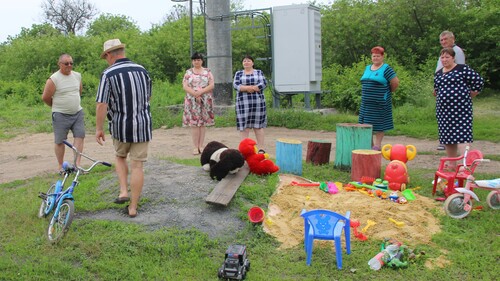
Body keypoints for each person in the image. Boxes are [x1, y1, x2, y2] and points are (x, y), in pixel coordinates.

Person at [95, 39, 152, 218]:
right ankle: (133, 207)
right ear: (122, 51)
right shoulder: (142, 70)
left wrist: (99, 128)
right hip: (142, 125)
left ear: (110, 55)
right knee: (137, 166)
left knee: (120, 157)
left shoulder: (108, 74)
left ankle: (123, 191)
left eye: (106, 57)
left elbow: (101, 104)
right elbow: (148, 97)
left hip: (120, 125)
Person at [433, 47, 483, 166]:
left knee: (462, 136)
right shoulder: (439, 73)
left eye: (447, 57)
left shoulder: (462, 69)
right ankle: (452, 165)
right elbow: (436, 90)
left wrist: (471, 94)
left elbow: (479, 82)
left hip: (461, 110)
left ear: (453, 57)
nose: (444, 59)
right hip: (444, 112)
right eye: (442, 57)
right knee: (447, 138)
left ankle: (466, 165)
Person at [42, 53, 85, 171]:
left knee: (80, 136)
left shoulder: (77, 76)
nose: (69, 65)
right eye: (66, 63)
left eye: (71, 63)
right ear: (60, 64)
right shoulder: (53, 79)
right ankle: (61, 166)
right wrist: (56, 106)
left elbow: (79, 91)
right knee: (60, 140)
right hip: (60, 114)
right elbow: (45, 97)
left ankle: (77, 165)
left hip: (77, 112)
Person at [358, 46, 399, 151]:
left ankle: (377, 145)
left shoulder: (386, 68)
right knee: (366, 124)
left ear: (382, 57)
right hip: (366, 104)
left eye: (378, 56)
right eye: (374, 56)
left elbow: (395, 82)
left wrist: (388, 91)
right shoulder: (368, 68)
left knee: (379, 124)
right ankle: (370, 145)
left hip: (380, 103)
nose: (375, 58)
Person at [435, 30, 466, 151]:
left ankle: (451, 141)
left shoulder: (456, 51)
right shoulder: (444, 52)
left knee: (452, 116)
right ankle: (446, 140)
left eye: (445, 39)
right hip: (442, 86)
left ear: (452, 39)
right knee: (443, 116)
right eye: (441, 40)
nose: (443, 42)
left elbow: (460, 69)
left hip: (452, 89)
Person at [233, 55, 268, 152]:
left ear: (252, 63)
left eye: (248, 61)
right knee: (244, 127)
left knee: (258, 126)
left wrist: (252, 88)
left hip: (258, 103)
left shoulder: (259, 72)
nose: (246, 62)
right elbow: (236, 85)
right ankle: (244, 149)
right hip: (243, 104)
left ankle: (261, 148)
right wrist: (248, 88)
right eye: (244, 61)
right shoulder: (239, 73)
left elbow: (263, 83)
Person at [182, 52, 215, 155]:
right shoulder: (188, 72)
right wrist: (195, 94)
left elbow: (212, 84)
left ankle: (201, 145)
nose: (197, 61)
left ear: (202, 61)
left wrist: (200, 92)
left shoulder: (207, 71)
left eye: (199, 60)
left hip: (205, 99)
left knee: (203, 123)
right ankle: (195, 146)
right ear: (192, 61)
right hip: (191, 100)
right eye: (195, 60)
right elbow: (185, 86)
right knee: (194, 124)